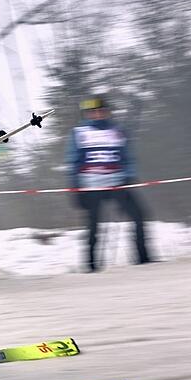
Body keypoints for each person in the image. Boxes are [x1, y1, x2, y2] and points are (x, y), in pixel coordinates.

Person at [67, 96, 151, 272]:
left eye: (100, 111)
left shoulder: (117, 130)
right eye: (93, 112)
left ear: (107, 112)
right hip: (92, 185)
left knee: (139, 214)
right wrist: (74, 189)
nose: (97, 115)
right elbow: (73, 162)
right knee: (93, 224)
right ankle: (90, 265)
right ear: (87, 114)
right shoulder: (79, 132)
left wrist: (129, 177)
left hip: (117, 183)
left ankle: (143, 258)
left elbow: (127, 156)